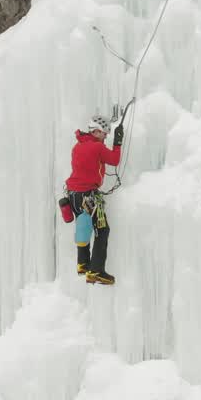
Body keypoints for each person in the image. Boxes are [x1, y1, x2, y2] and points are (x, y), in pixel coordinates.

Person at [65, 115, 123, 285]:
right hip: (88, 196)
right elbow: (114, 160)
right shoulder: (97, 147)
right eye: (105, 133)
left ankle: (83, 264)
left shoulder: (77, 146)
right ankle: (96, 271)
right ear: (96, 131)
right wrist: (118, 143)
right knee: (102, 230)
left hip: (73, 195)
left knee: (83, 225)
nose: (106, 136)